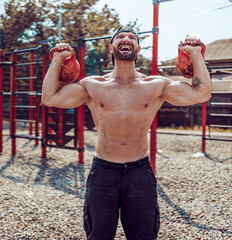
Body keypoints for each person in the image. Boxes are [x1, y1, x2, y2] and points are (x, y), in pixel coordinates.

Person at [41, 26, 211, 240]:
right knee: (99, 236)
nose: (126, 39)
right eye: (120, 37)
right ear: (111, 47)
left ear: (137, 48)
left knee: (143, 236)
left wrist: (195, 54)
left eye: (131, 37)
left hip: (139, 172)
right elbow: (50, 98)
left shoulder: (156, 85)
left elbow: (202, 92)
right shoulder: (92, 85)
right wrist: (57, 58)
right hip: (103, 171)